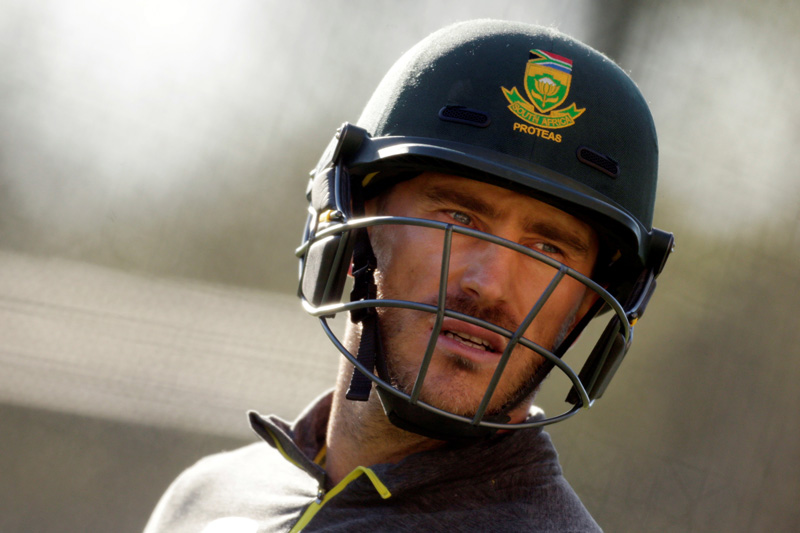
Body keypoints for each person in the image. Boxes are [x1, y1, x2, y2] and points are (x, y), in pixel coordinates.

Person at [145, 20, 673, 533]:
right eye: (458, 218)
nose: (488, 284)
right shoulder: (206, 499)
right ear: (354, 223)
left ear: (588, 303)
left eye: (548, 249)